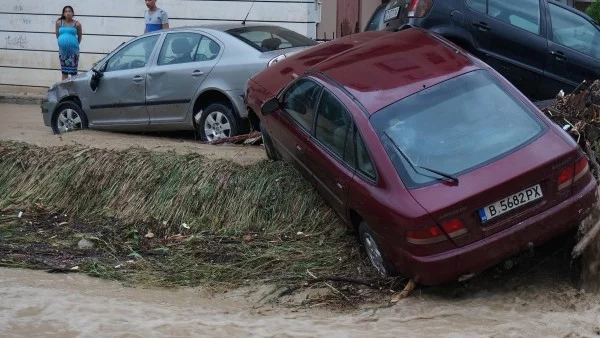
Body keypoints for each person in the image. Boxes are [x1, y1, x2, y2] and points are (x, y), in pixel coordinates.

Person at [55, 6, 82, 80]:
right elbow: (58, 36)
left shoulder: (77, 24)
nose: (68, 13)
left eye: (70, 11)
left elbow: (79, 37)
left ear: (73, 13)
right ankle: (64, 90)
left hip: (73, 52)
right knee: (64, 72)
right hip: (63, 52)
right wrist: (62, 43)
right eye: (66, 11)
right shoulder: (59, 23)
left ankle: (73, 90)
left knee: (73, 72)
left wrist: (73, 45)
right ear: (63, 14)